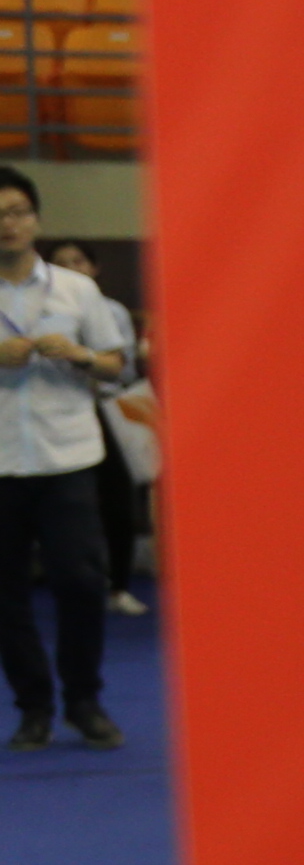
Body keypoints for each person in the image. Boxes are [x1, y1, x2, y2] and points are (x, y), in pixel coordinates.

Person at [0, 165, 132, 748]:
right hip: (2, 463)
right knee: (5, 595)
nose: (7, 224)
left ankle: (83, 699)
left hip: (69, 458)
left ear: (36, 219)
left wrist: (80, 356)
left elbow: (117, 366)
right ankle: (33, 707)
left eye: (17, 212)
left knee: (80, 582)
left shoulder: (77, 290)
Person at [43, 241, 143, 614]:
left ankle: (119, 587)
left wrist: (82, 358)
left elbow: (124, 368)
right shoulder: (42, 309)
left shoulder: (111, 310)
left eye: (78, 261)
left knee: (118, 501)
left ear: (94, 267)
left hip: (106, 410)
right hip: (56, 415)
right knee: (60, 506)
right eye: (61, 264)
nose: (71, 269)